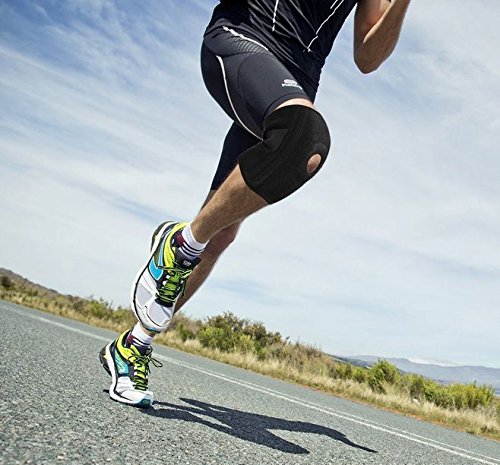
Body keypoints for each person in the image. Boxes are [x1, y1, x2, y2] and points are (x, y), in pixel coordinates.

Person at [100, 0, 411, 407]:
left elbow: (367, 57)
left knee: (221, 232)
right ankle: (180, 244)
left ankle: (132, 345)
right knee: (304, 138)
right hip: (243, 39)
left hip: (295, 79)